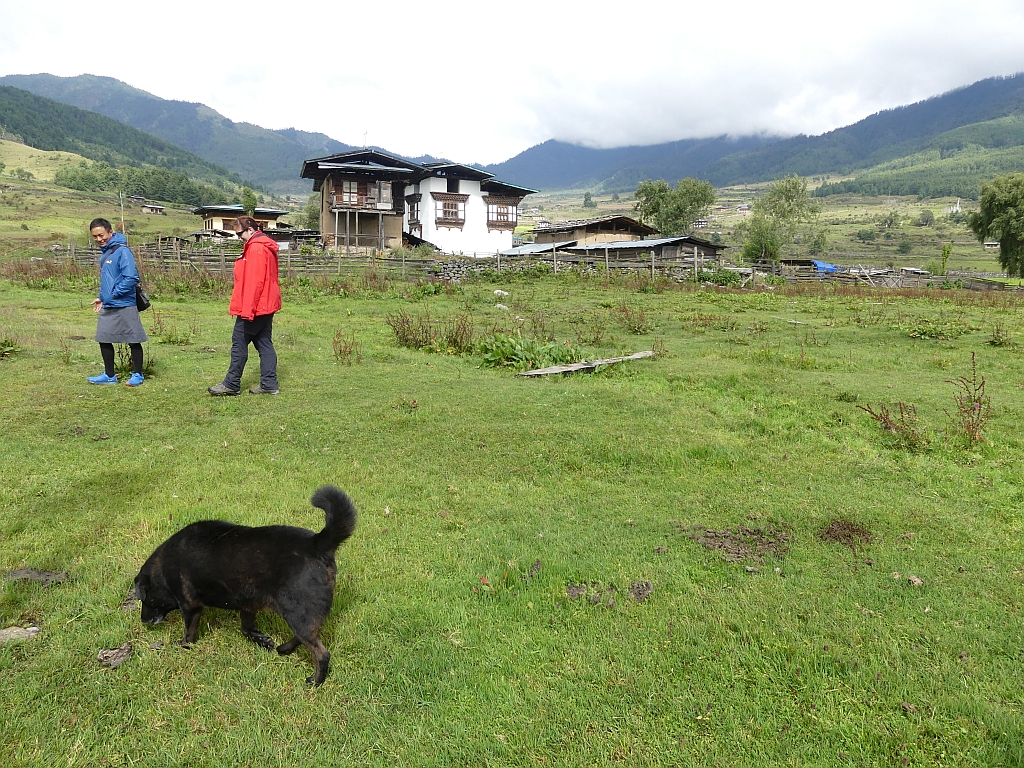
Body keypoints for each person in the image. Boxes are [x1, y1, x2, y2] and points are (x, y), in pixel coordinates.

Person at [208, 215, 282, 396]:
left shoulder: (256, 248)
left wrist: (247, 311)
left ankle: (231, 383)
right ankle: (269, 384)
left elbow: (254, 283)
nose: (238, 237)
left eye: (239, 233)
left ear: (250, 230)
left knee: (239, 341)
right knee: (264, 342)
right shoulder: (262, 245)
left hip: (256, 306)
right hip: (266, 304)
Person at [87, 218, 147, 387]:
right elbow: (109, 279)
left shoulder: (122, 251)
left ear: (110, 232)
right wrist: (102, 297)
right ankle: (109, 375)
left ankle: (138, 374)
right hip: (109, 303)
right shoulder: (107, 253)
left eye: (101, 235)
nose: (99, 239)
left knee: (133, 339)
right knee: (103, 337)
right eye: (95, 236)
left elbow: (131, 278)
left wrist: (114, 293)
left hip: (125, 303)